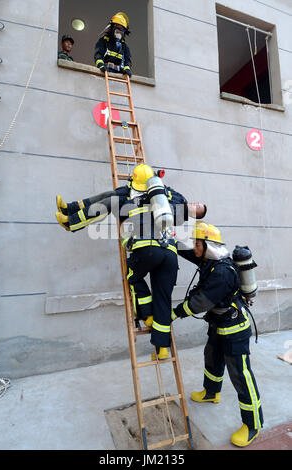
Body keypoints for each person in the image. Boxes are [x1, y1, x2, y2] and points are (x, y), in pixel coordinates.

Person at [55, 164, 207, 361]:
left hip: (146, 250)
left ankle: (147, 315)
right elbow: (178, 203)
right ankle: (162, 349)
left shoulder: (132, 199)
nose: (195, 205)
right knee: (163, 299)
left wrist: (73, 218)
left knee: (133, 277)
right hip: (169, 254)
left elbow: (100, 208)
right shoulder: (169, 198)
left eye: (198, 208)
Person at [172, 221, 263, 447]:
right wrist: (169, 242)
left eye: (197, 243)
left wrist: (173, 314)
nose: (194, 247)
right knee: (211, 358)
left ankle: (253, 424)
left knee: (241, 376)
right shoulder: (208, 260)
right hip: (218, 325)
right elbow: (188, 254)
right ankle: (211, 392)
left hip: (235, 330)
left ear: (207, 245)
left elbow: (200, 302)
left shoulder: (222, 272)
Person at [94, 12, 132, 77]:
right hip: (105, 72)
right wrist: (101, 65)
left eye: (122, 29)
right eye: (118, 28)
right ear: (112, 28)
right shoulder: (104, 41)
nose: (119, 31)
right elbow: (98, 55)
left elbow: (127, 61)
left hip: (119, 74)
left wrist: (127, 69)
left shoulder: (124, 47)